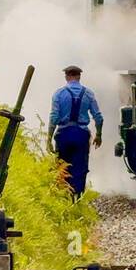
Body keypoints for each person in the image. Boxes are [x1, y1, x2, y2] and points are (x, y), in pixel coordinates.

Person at [48, 64, 103, 198]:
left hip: (63, 134)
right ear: (79, 76)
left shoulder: (59, 93)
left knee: (62, 166)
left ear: (66, 77)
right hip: (81, 134)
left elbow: (54, 117)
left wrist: (49, 138)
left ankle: (62, 197)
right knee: (80, 168)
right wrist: (99, 134)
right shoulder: (88, 93)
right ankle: (77, 198)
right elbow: (98, 117)